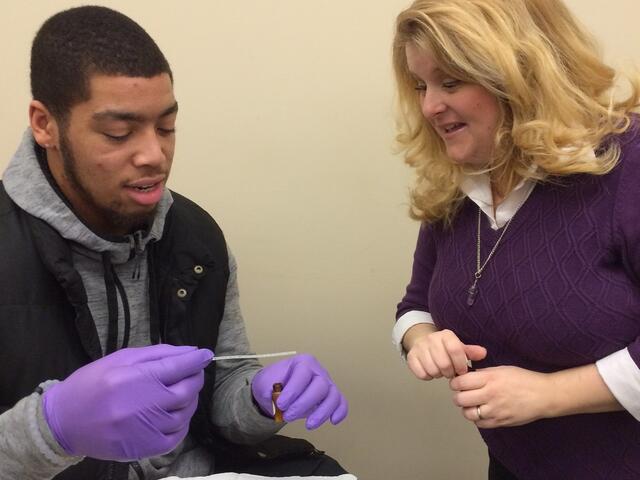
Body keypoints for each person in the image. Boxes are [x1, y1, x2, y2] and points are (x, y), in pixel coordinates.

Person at [0, 6, 349, 480]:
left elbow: (223, 399)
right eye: (118, 133)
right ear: (45, 124)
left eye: (166, 127)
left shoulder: (195, 237)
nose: (154, 155)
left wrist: (260, 398)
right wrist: (53, 429)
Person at [391, 0, 640, 478]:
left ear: (523, 72)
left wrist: (549, 395)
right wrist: (422, 341)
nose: (428, 106)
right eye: (421, 85)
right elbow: (415, 307)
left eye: (450, 81)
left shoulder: (627, 164)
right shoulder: (459, 186)